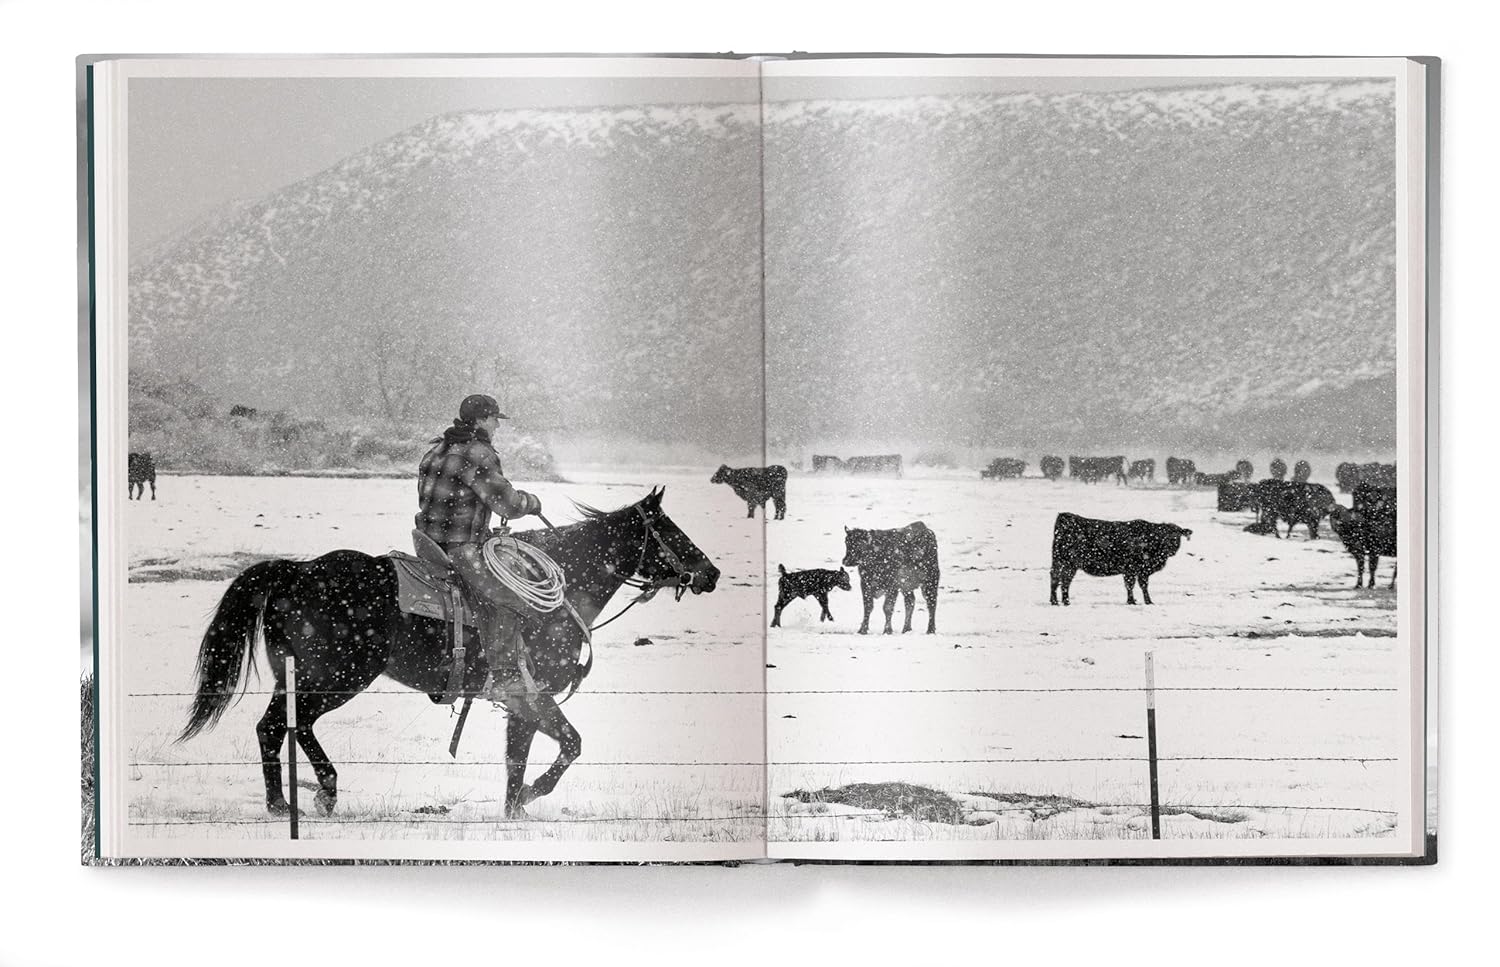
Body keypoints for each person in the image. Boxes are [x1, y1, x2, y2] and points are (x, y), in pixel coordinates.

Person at [415, 394, 543, 711]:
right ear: (481, 421)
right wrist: (531, 502)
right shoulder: (478, 453)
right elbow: (508, 504)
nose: (498, 424)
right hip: (460, 548)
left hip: (428, 544)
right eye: (495, 419)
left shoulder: (437, 449)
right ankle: (505, 677)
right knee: (507, 601)